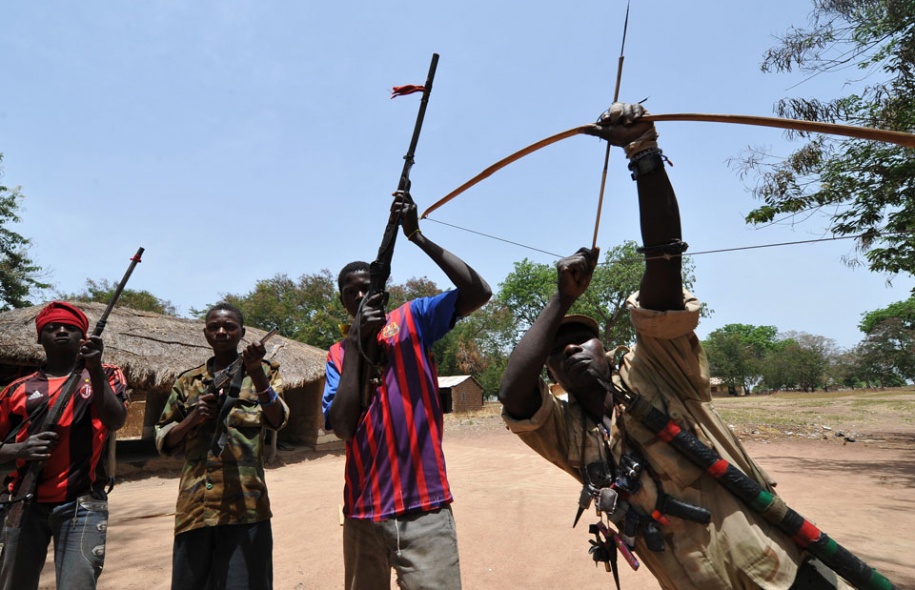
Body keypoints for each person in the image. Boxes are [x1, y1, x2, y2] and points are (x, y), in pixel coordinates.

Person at [498, 103, 850, 590]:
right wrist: (561, 300)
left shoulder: (655, 370)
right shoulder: (566, 434)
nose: (570, 352)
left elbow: (663, 268)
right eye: (555, 354)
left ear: (607, 347)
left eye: (581, 340)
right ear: (551, 376)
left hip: (783, 573)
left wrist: (643, 153)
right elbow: (513, 395)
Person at [323, 191, 492, 590]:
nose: (360, 296)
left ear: (383, 291)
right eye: (351, 292)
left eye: (367, 288)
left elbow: (479, 293)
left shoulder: (413, 318)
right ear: (343, 300)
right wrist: (356, 343)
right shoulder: (338, 353)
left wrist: (417, 236)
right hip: (363, 512)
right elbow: (342, 426)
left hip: (425, 507)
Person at [155, 302, 288, 590]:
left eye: (229, 326)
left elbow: (278, 419)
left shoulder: (265, 373)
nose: (221, 331)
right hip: (195, 509)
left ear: (242, 333)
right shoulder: (188, 381)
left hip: (247, 510)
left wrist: (256, 372)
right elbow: (164, 439)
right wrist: (192, 419)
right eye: (214, 326)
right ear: (205, 333)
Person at [0, 301, 128, 590]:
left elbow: (116, 420)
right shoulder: (17, 390)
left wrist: (94, 369)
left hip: (82, 503)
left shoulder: (107, 374)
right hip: (24, 502)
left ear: (83, 337)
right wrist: (18, 449)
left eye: (70, 328)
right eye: (52, 327)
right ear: (39, 337)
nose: (61, 331)